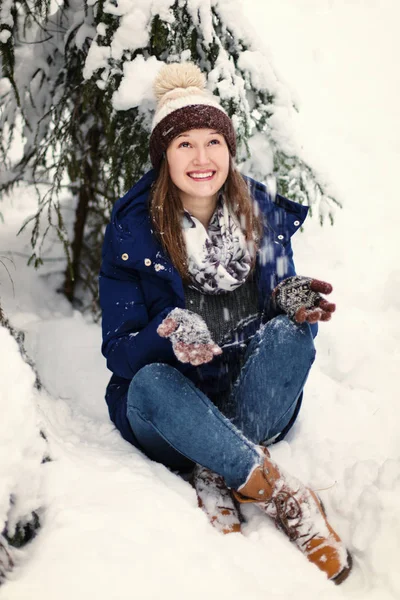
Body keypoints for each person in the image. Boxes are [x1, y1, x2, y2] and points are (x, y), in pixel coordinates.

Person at [99, 62, 352, 584]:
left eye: (213, 141)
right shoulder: (132, 232)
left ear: (229, 150)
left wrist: (290, 298)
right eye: (184, 144)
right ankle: (281, 493)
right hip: (171, 414)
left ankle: (218, 465)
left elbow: (284, 316)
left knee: (292, 332)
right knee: (146, 381)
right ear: (163, 156)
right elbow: (119, 352)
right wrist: (167, 333)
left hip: (249, 403)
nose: (201, 157)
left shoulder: (259, 215)